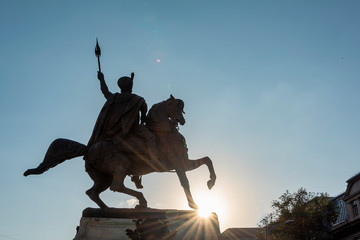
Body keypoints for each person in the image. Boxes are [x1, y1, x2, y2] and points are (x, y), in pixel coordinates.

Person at [87, 71, 163, 188]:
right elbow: (144, 119)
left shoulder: (114, 97)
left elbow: (104, 91)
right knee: (151, 137)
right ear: (130, 86)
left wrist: (101, 79)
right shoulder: (138, 100)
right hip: (133, 128)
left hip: (115, 131)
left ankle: (136, 175)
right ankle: (154, 161)